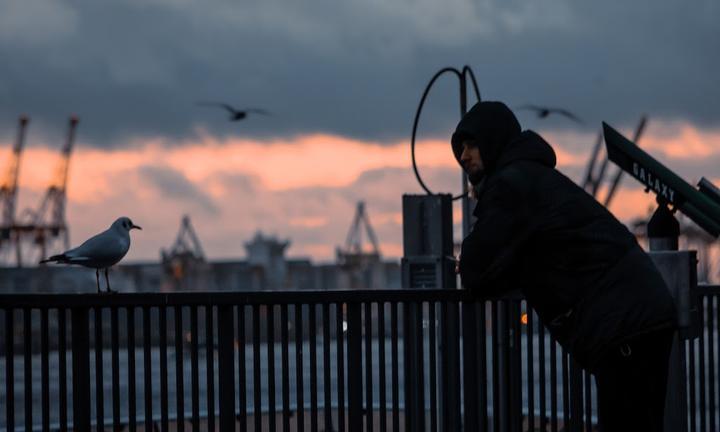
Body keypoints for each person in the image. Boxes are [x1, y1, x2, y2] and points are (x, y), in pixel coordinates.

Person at [452, 101, 677, 432]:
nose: (464, 156)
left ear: (493, 140)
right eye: (460, 149)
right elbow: (514, 262)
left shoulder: (512, 184)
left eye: (471, 145)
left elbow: (474, 266)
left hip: (623, 323)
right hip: (636, 314)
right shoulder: (533, 177)